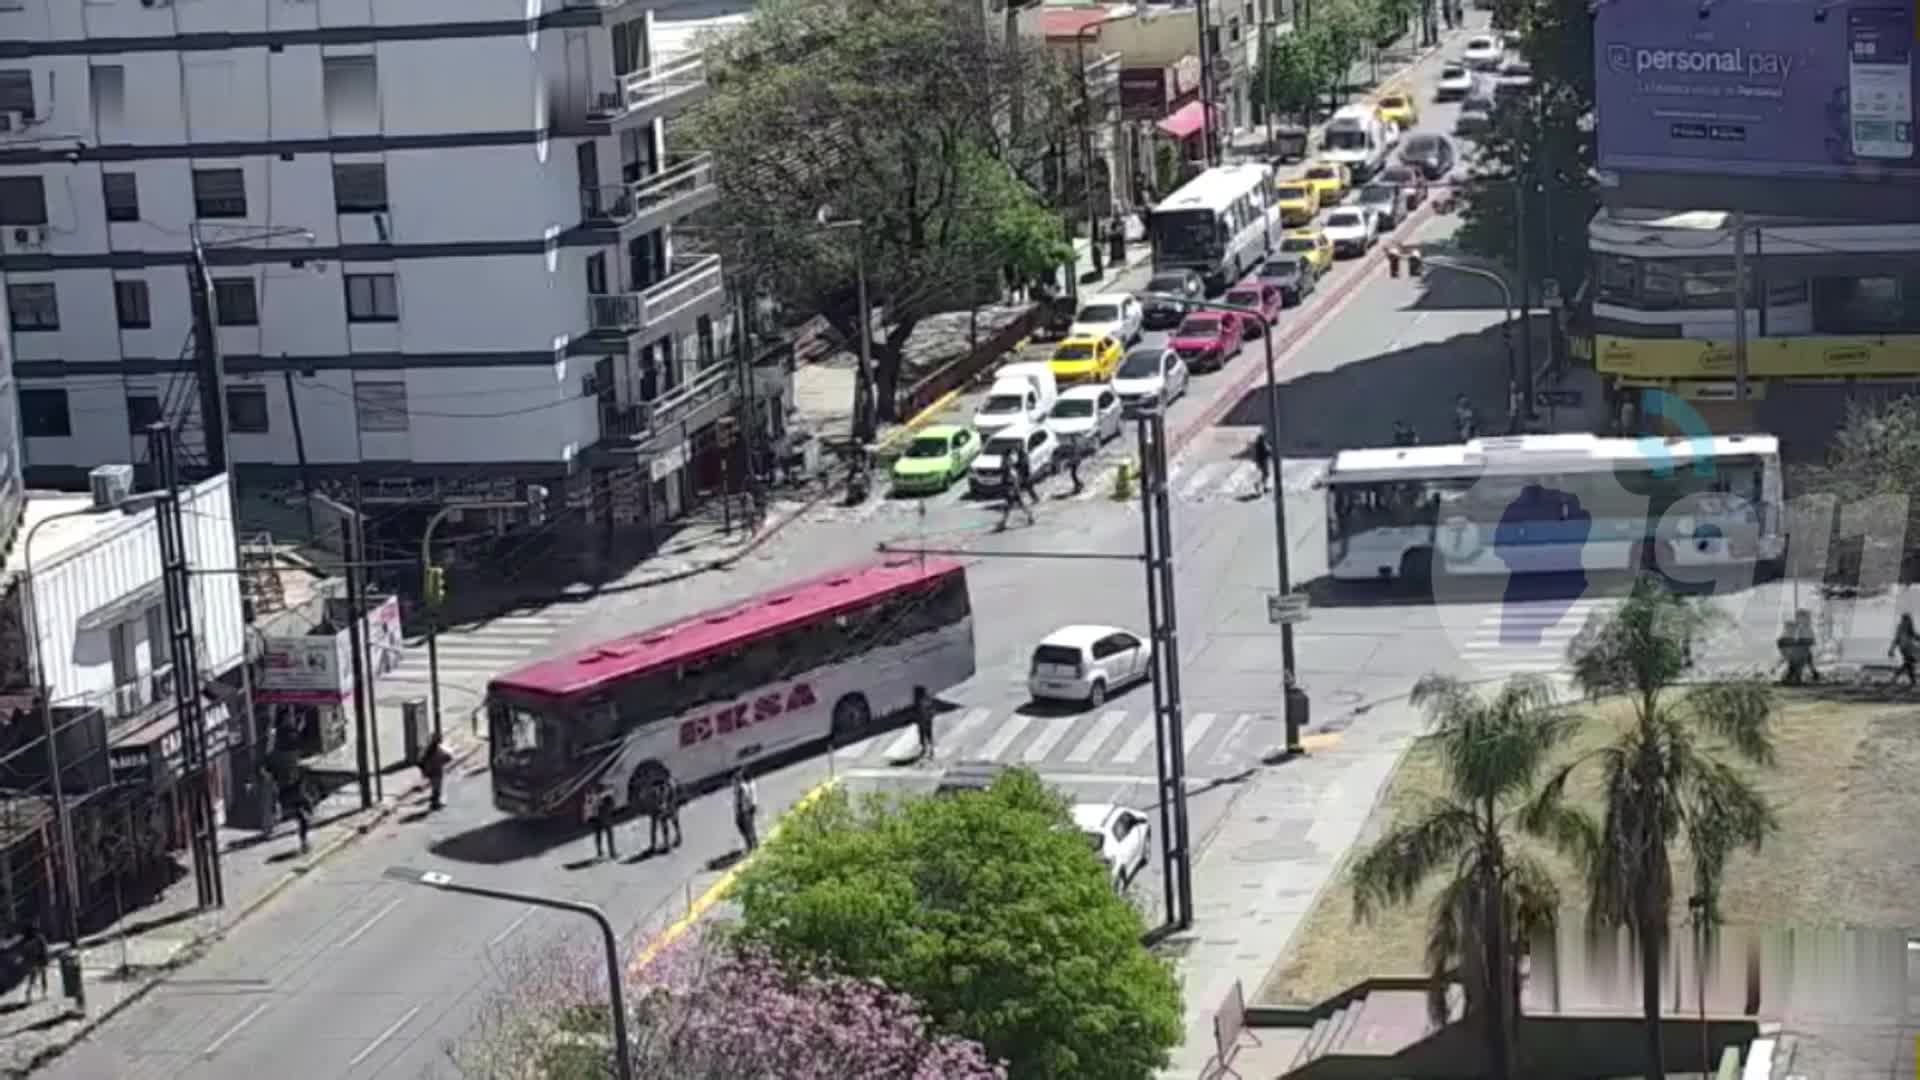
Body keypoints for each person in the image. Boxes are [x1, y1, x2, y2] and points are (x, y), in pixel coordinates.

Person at [647, 773, 682, 854]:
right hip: (665, 810)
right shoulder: (659, 790)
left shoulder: (668, 788)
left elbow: (672, 798)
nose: (655, 789)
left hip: (670, 808)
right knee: (666, 825)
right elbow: (657, 800)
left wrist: (668, 806)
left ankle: (676, 838)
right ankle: (668, 843)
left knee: (673, 823)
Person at [418, 732, 450, 811]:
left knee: (435, 787)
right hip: (436, 771)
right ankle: (435, 803)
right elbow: (447, 757)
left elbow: (421, 761)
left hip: (432, 772)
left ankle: (435, 802)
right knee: (437, 788)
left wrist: (424, 770)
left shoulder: (429, 749)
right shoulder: (436, 750)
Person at [16, 921, 47, 1004]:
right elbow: (44, 950)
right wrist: (45, 960)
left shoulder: (27, 939)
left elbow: (22, 951)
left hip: (32, 962)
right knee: (42, 977)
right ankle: (43, 993)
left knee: (33, 978)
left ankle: (29, 994)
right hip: (39, 961)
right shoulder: (40, 938)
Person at [586, 784, 617, 860]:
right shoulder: (600, 795)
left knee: (598, 835)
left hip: (595, 817)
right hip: (603, 816)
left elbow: (588, 807)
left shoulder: (589, 797)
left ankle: (600, 852)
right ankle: (612, 852)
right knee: (609, 834)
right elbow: (611, 795)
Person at [732, 770, 759, 852]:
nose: (732, 782)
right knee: (748, 828)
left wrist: (740, 812)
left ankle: (751, 846)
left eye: (734, 780)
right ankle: (753, 844)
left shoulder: (742, 788)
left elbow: (742, 800)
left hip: (744, 812)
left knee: (746, 829)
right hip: (743, 811)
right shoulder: (740, 787)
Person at [1890, 614, 1920, 685]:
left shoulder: (1901, 626)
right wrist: (1892, 649)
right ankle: (1897, 676)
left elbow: (1896, 639)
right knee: (1910, 662)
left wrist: (1892, 649)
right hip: (1908, 647)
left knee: (1909, 663)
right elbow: (1914, 635)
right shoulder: (1905, 625)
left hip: (1904, 648)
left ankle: (1912, 681)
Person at [912, 686, 936, 763]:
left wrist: (929, 717)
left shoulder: (924, 700)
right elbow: (918, 711)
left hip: (925, 721)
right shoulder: (921, 701)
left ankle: (930, 751)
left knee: (927, 735)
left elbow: (930, 710)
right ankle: (926, 750)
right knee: (923, 736)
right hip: (923, 721)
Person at [1250, 430, 1272, 496]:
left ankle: (1264, 487)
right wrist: (1269, 452)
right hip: (1263, 460)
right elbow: (1265, 452)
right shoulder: (1262, 443)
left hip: (1261, 460)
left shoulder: (1259, 443)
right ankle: (1258, 485)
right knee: (1265, 474)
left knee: (1265, 474)